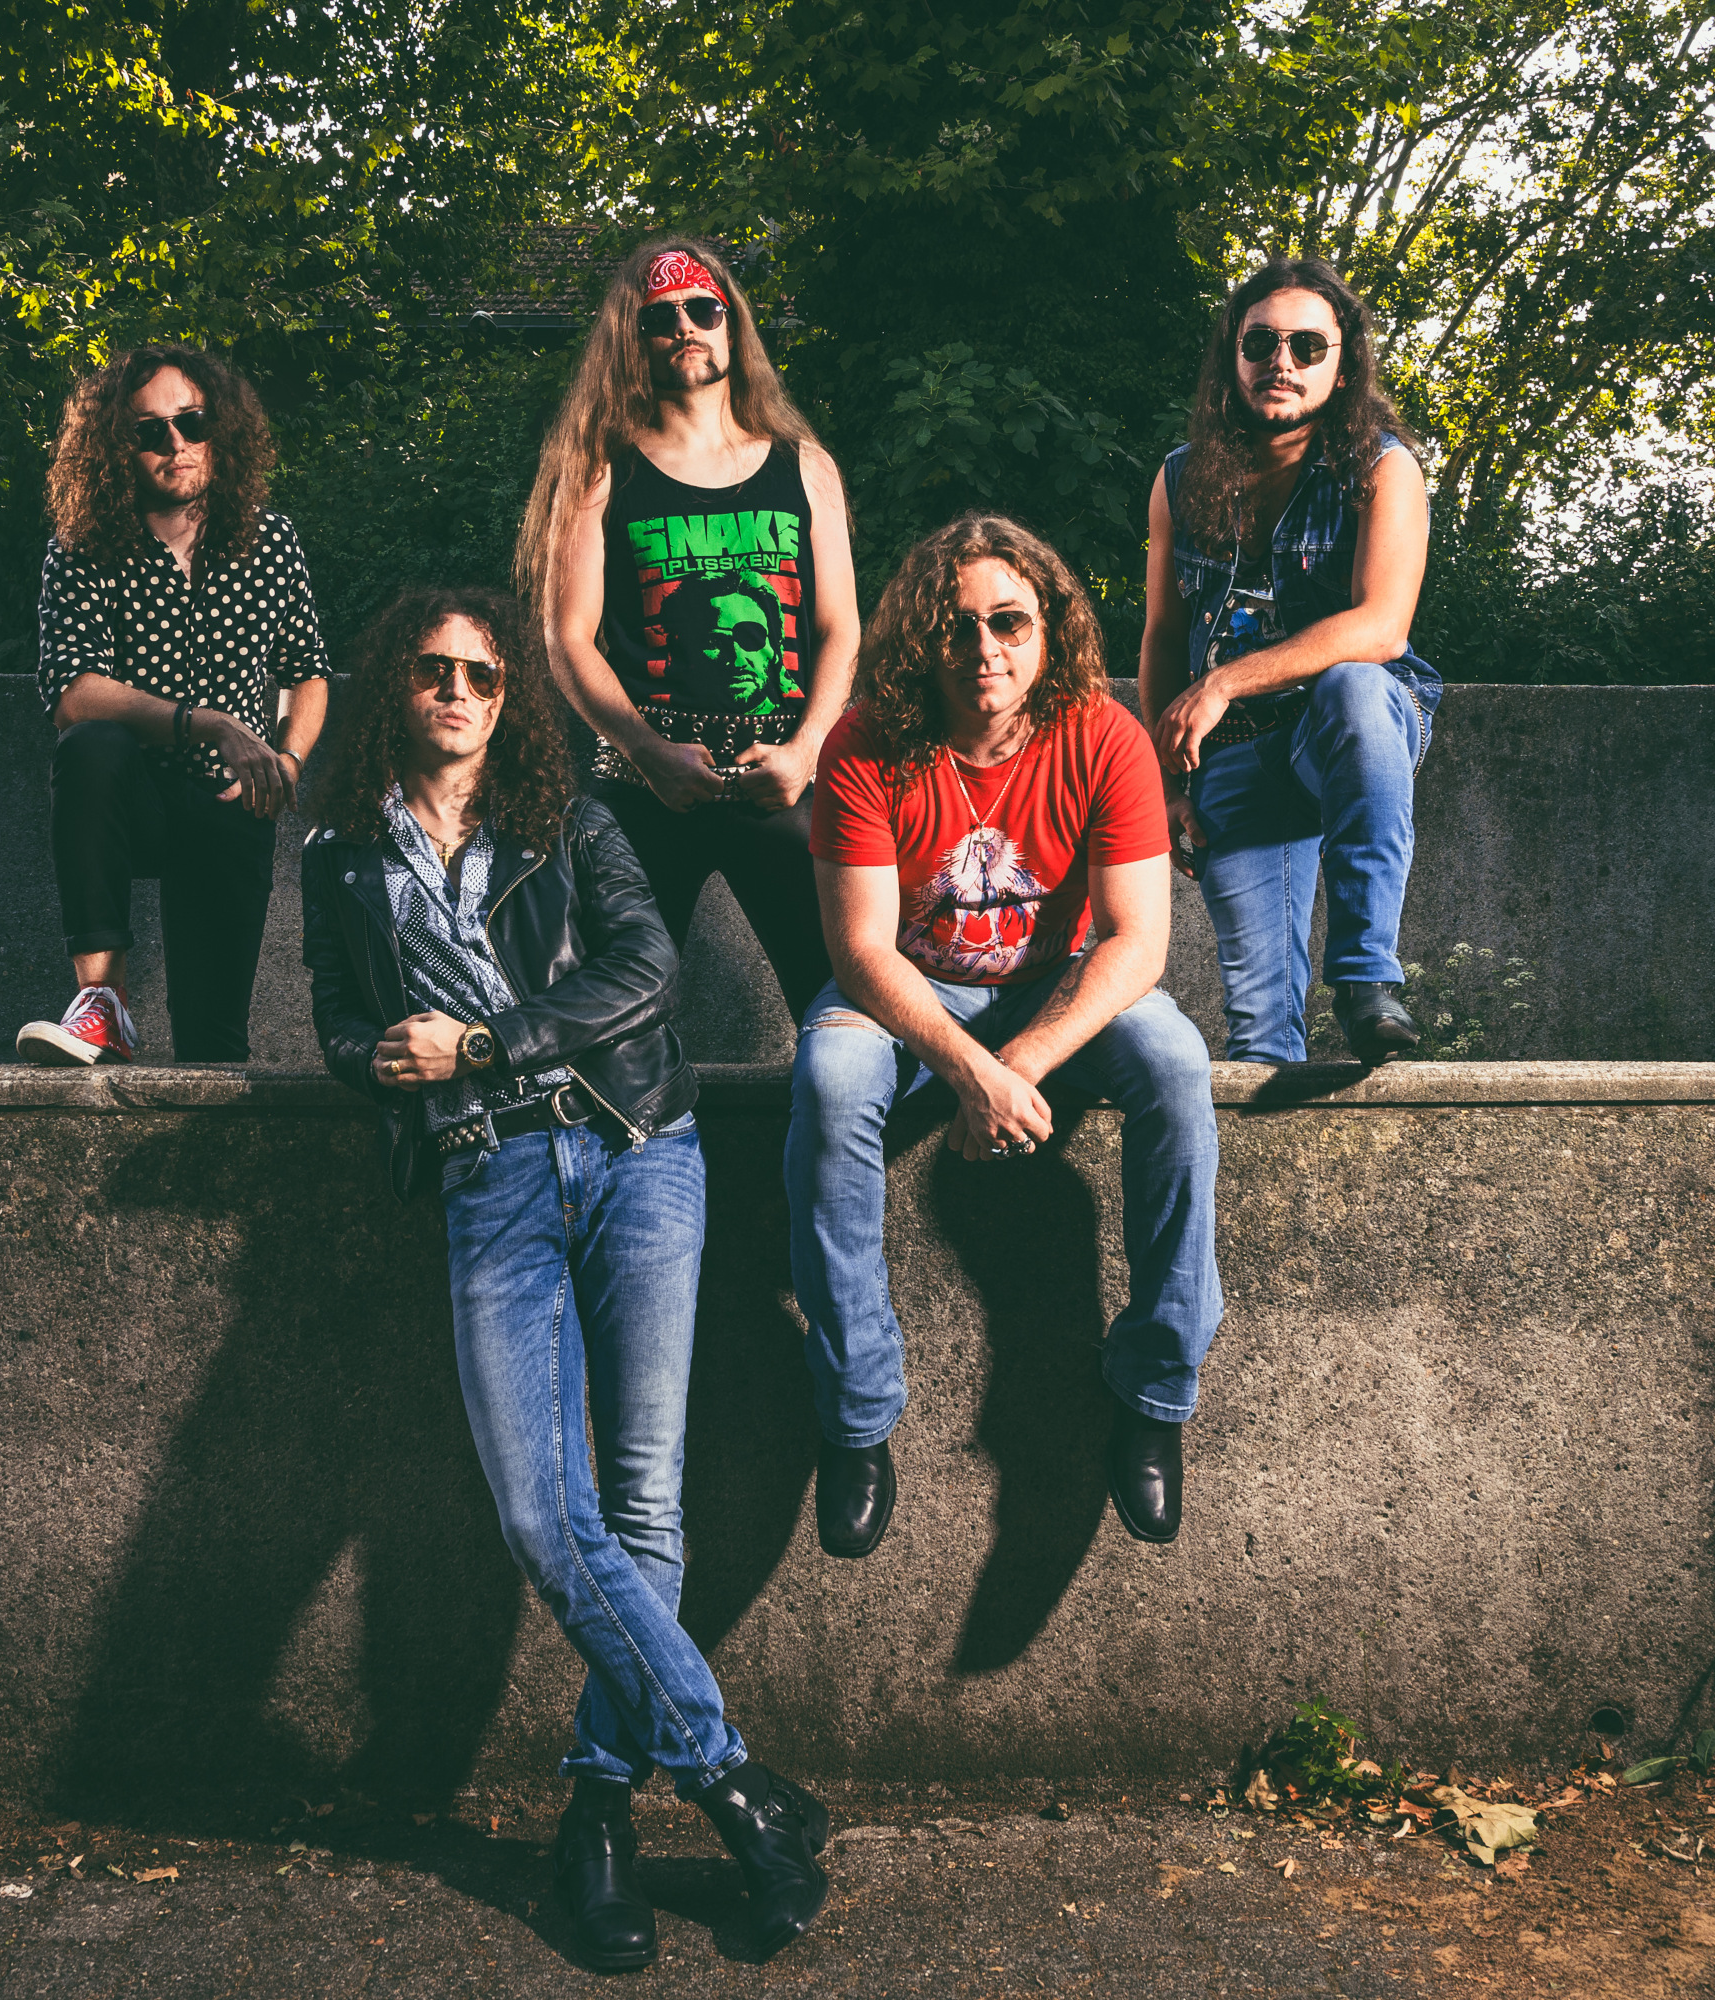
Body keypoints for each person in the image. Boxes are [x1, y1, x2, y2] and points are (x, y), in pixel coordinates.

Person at [301, 584, 834, 1968]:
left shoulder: (571, 820)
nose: (458, 690)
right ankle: (733, 1783)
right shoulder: (340, 856)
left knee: (644, 1500)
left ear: (508, 699)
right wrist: (376, 1060)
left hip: (635, 1148)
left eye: (483, 673)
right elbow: (339, 1015)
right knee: (546, 1516)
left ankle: (595, 1816)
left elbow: (648, 969)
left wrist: (483, 1044)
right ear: (394, 684)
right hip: (486, 1181)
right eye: (433, 668)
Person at [787, 516, 1222, 1555]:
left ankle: (1155, 1390)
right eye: (956, 625)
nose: (983, 648)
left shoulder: (1103, 734)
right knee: (831, 1076)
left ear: (1049, 629)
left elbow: (1136, 941)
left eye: (1009, 622)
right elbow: (859, 949)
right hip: (909, 989)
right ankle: (856, 1413)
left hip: (1052, 988)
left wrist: (1017, 1063)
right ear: (919, 637)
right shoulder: (865, 741)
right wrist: (965, 1068)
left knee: (1175, 1062)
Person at [518, 236, 860, 1025]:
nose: (684, 327)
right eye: (659, 317)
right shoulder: (600, 469)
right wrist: (647, 751)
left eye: (703, 309)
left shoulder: (805, 466)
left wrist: (807, 751)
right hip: (645, 784)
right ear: (632, 341)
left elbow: (840, 627)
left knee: (842, 1005)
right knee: (610, 1018)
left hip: (781, 776)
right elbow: (568, 636)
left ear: (732, 323)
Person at [1139, 256, 1441, 1065]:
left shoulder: (1382, 469)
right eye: (1261, 343)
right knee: (1260, 1036)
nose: (1282, 361)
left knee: (1355, 689)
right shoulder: (1180, 478)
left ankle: (1366, 979)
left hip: (1345, 736)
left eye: (1308, 346)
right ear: (1232, 360)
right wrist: (1167, 783)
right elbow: (1163, 635)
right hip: (1238, 751)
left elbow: (1381, 627)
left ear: (1343, 369)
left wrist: (1224, 681)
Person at [18, 342, 330, 1066]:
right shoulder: (84, 547)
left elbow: (308, 672)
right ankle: (103, 1003)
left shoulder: (270, 540)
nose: (177, 445)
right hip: (135, 798)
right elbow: (73, 694)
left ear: (220, 427)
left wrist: (286, 760)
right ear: (116, 449)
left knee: (213, 1050)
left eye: (192, 422)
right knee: (90, 745)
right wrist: (210, 723)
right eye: (149, 431)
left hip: (230, 803)